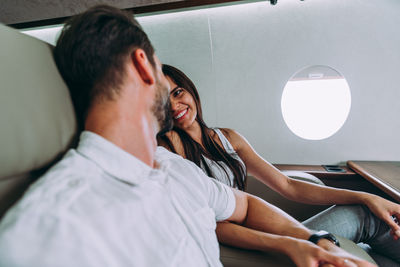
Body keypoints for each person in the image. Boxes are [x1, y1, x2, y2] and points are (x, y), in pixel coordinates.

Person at [0, 5, 376, 267]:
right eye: (163, 69)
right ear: (143, 65)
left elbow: (244, 205)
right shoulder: (51, 230)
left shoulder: (174, 169)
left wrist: (309, 242)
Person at [158, 64, 400, 265]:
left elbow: (287, 185)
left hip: (264, 227)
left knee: (373, 238)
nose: (175, 106)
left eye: (178, 93)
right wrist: (289, 242)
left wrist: (363, 195)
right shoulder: (169, 153)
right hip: (239, 245)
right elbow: (213, 223)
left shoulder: (227, 138)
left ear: (190, 89)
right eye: (164, 103)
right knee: (365, 217)